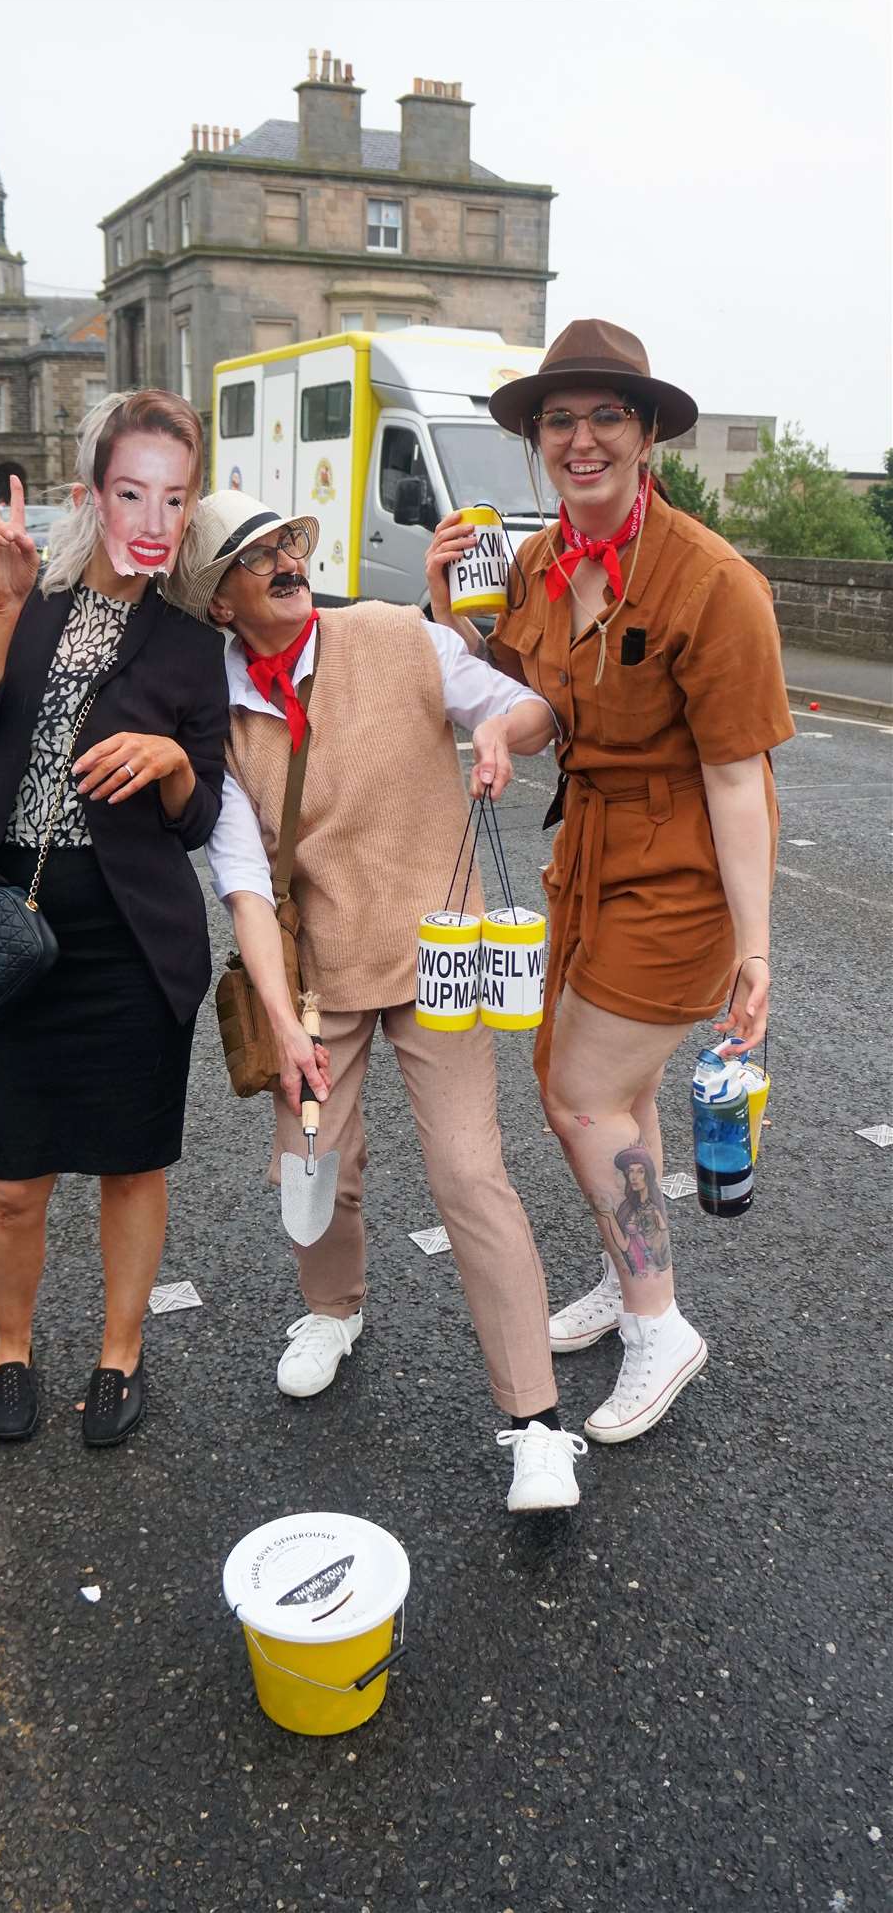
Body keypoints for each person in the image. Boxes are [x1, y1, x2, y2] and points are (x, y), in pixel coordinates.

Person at [171, 489, 588, 1515]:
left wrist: (505, 732)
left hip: (440, 949)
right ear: (220, 601)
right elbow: (244, 884)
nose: (281, 558)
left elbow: (521, 709)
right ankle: (332, 1307)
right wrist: (280, 1017)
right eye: (252, 554)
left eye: (283, 542)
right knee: (313, 1163)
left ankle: (537, 1423)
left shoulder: (395, 637)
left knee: (470, 1171)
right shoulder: (216, 710)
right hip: (319, 967)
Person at [426, 319, 794, 1446]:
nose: (580, 439)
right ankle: (625, 1272)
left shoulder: (713, 582)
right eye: (558, 418)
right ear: (539, 436)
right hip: (588, 848)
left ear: (645, 435)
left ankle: (657, 1322)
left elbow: (739, 782)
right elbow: (533, 707)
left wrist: (755, 945)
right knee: (610, 1094)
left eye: (605, 417)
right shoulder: (539, 561)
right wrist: (455, 619)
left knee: (580, 1092)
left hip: (681, 865)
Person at [0, 391, 228, 1447]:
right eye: (130, 490)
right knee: (13, 1178)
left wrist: (175, 764)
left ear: (190, 512)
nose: (152, 515)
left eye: (174, 497)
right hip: (16, 919)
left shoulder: (190, 645)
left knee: (129, 1162)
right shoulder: (18, 595)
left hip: (132, 938)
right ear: (91, 496)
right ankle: (11, 1346)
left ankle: (119, 1351)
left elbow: (201, 823)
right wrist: (0, 609)